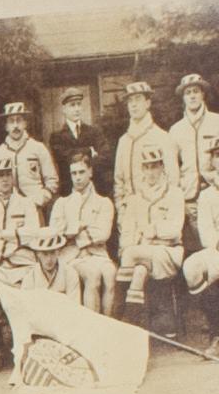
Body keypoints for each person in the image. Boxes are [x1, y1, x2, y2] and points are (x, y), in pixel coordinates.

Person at [0, 154, 55, 372]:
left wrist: (8, 234)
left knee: (31, 293)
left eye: (8, 174)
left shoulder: (26, 204)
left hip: (25, 264)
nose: (4, 180)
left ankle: (33, 347)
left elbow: (34, 234)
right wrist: (15, 241)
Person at [123, 139, 191, 339]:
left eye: (155, 166)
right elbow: (127, 230)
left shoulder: (174, 193)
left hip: (170, 252)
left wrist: (150, 231)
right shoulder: (136, 198)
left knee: (132, 255)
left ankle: (126, 318)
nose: (151, 172)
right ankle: (136, 325)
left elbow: (174, 230)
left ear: (162, 167)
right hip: (145, 253)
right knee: (139, 270)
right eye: (146, 167)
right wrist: (136, 238)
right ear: (141, 170)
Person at [50, 149, 117, 315]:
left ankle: (107, 325)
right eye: (74, 173)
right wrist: (78, 227)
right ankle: (91, 329)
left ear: (90, 172)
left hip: (98, 254)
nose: (78, 177)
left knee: (110, 273)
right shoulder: (62, 203)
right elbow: (55, 233)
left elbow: (103, 233)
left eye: (81, 172)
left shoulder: (104, 202)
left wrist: (72, 232)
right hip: (71, 256)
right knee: (92, 275)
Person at [116, 78, 175, 208]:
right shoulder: (124, 141)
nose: (133, 104)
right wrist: (120, 208)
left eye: (138, 99)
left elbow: (172, 179)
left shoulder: (162, 137)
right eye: (130, 101)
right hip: (130, 211)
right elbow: (118, 181)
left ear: (148, 103)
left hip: (156, 208)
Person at [0, 100, 60, 209]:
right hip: (9, 209)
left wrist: (41, 198)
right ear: (6, 126)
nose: (15, 125)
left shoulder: (38, 148)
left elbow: (52, 180)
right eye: (11, 121)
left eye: (19, 120)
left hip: (36, 207)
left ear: (25, 123)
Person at [53, 86, 112, 201]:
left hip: (95, 189)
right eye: (72, 105)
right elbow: (65, 159)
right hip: (69, 192)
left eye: (79, 104)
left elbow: (106, 156)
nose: (77, 109)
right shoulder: (57, 137)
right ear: (64, 109)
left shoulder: (94, 132)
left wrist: (79, 156)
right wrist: (90, 151)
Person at [185, 163, 219, 354]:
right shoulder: (207, 196)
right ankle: (215, 329)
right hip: (216, 248)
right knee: (192, 266)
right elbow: (206, 232)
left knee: (215, 277)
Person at [176, 73, 219, 205]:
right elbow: (172, 167)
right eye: (188, 93)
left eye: (196, 91)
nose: (192, 96)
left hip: (215, 194)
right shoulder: (176, 130)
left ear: (203, 94)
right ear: (183, 98)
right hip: (189, 197)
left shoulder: (216, 121)